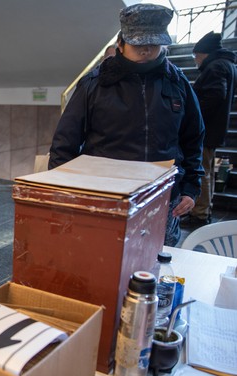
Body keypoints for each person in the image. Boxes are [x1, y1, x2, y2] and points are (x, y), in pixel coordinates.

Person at [48, 4, 204, 247]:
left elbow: (193, 138)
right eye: (138, 43)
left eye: (152, 44)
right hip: (106, 199)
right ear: (120, 43)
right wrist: (63, 194)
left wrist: (191, 187)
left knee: (155, 270)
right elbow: (64, 143)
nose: (145, 49)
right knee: (100, 260)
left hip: (163, 200)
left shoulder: (177, 82)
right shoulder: (94, 84)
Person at [183, 32, 236, 227]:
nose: (195, 60)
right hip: (216, 129)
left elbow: (215, 95)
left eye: (196, 55)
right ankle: (206, 209)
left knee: (202, 171)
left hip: (206, 129)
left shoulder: (215, 67)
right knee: (208, 171)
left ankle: (200, 214)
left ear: (204, 53)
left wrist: (194, 115)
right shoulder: (227, 65)